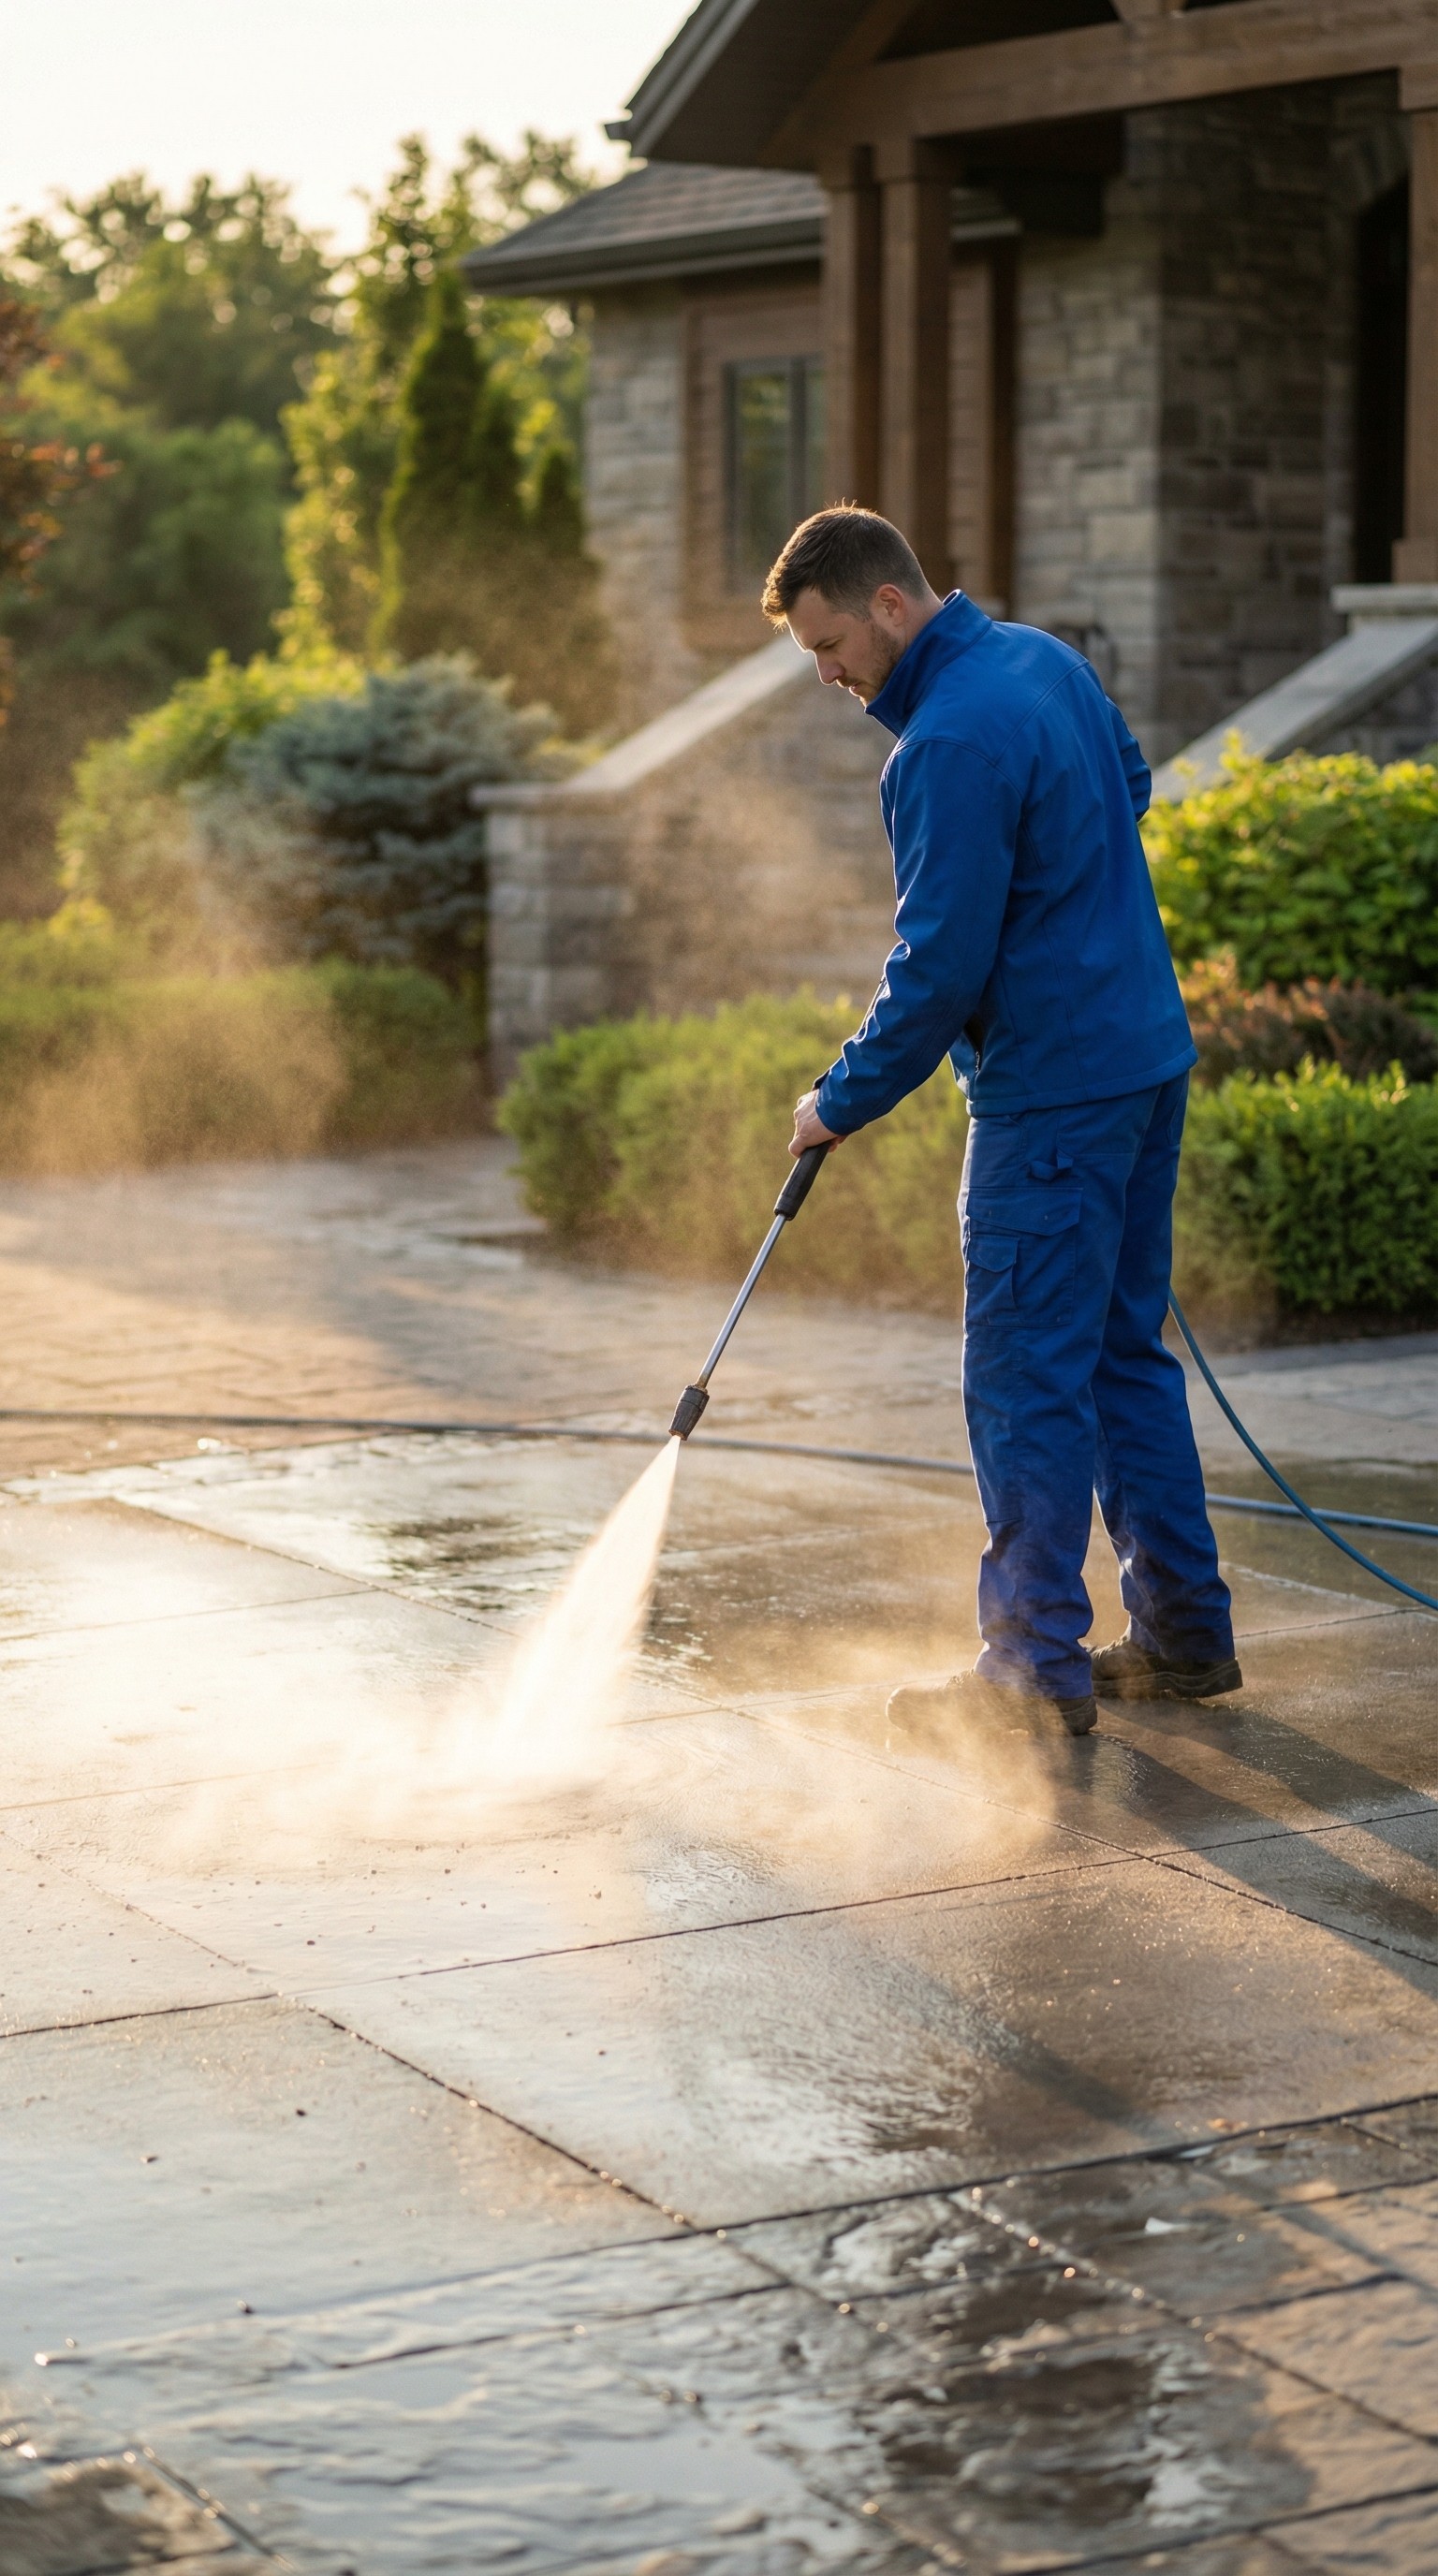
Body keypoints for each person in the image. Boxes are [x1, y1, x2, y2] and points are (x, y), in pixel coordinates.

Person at [766, 505, 1239, 1738]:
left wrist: (837, 1102)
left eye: (829, 647)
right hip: (1143, 1059)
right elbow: (1126, 786)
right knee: (1122, 1356)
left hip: (1057, 1102)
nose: (826, 677)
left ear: (886, 604)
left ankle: (1031, 1667)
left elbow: (937, 971)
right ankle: (1186, 1636)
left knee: (1027, 1377)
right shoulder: (1046, 660)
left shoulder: (945, 744)